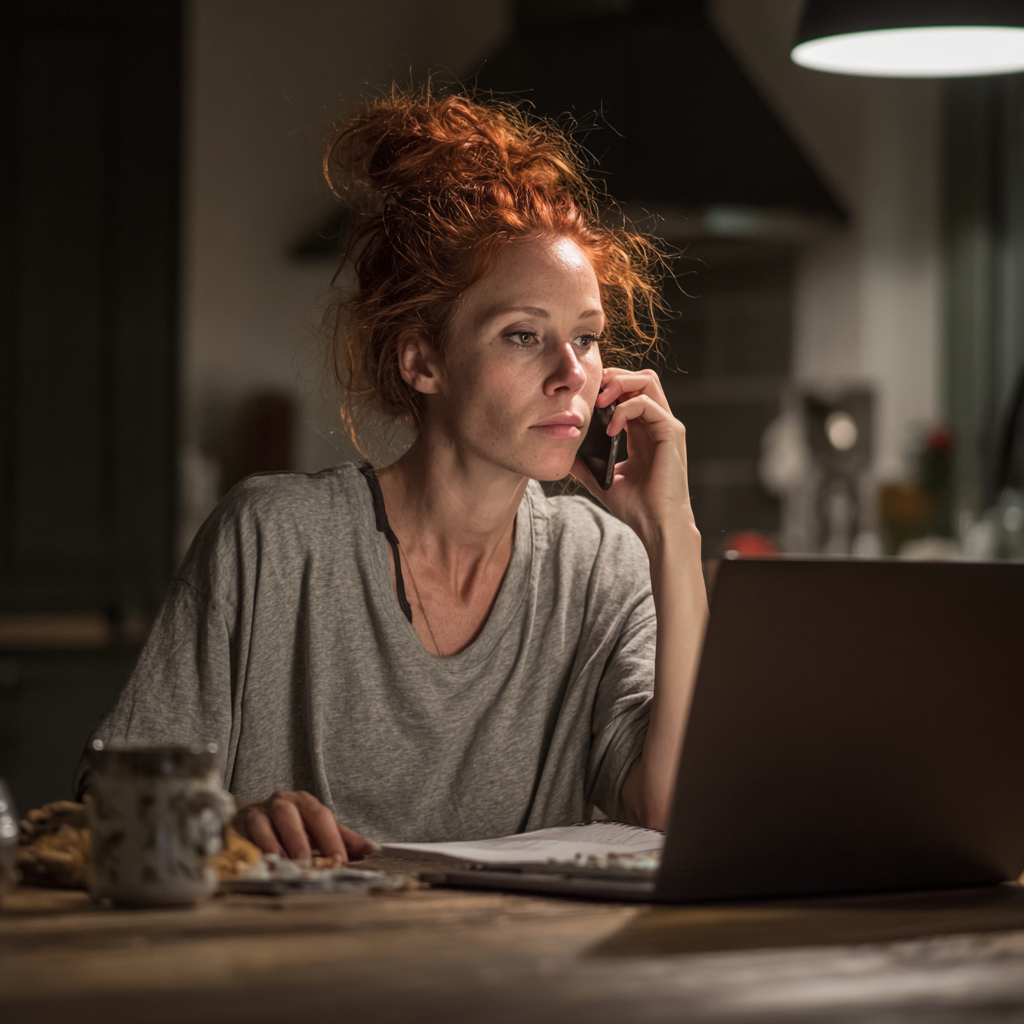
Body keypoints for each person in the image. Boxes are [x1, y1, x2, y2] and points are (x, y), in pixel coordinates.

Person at [83, 88, 708, 865]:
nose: (570, 375)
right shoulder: (275, 540)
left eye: (586, 338)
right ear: (423, 360)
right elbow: (105, 806)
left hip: (518, 980)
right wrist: (230, 824)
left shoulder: (603, 568)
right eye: (523, 335)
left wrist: (670, 531)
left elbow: (671, 806)